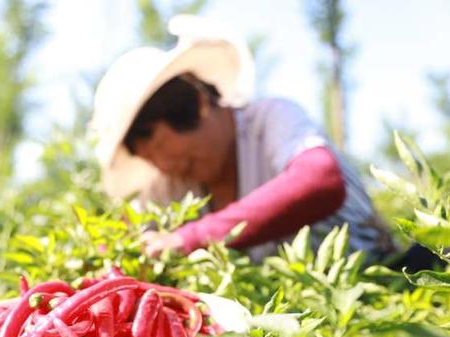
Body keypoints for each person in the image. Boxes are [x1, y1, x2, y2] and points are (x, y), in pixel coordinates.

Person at [91, 15, 395, 262]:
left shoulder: (270, 119)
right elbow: (124, 246)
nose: (164, 165)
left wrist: (190, 238)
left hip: (378, 282)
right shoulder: (171, 182)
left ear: (197, 105)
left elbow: (320, 180)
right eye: (149, 158)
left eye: (159, 146)